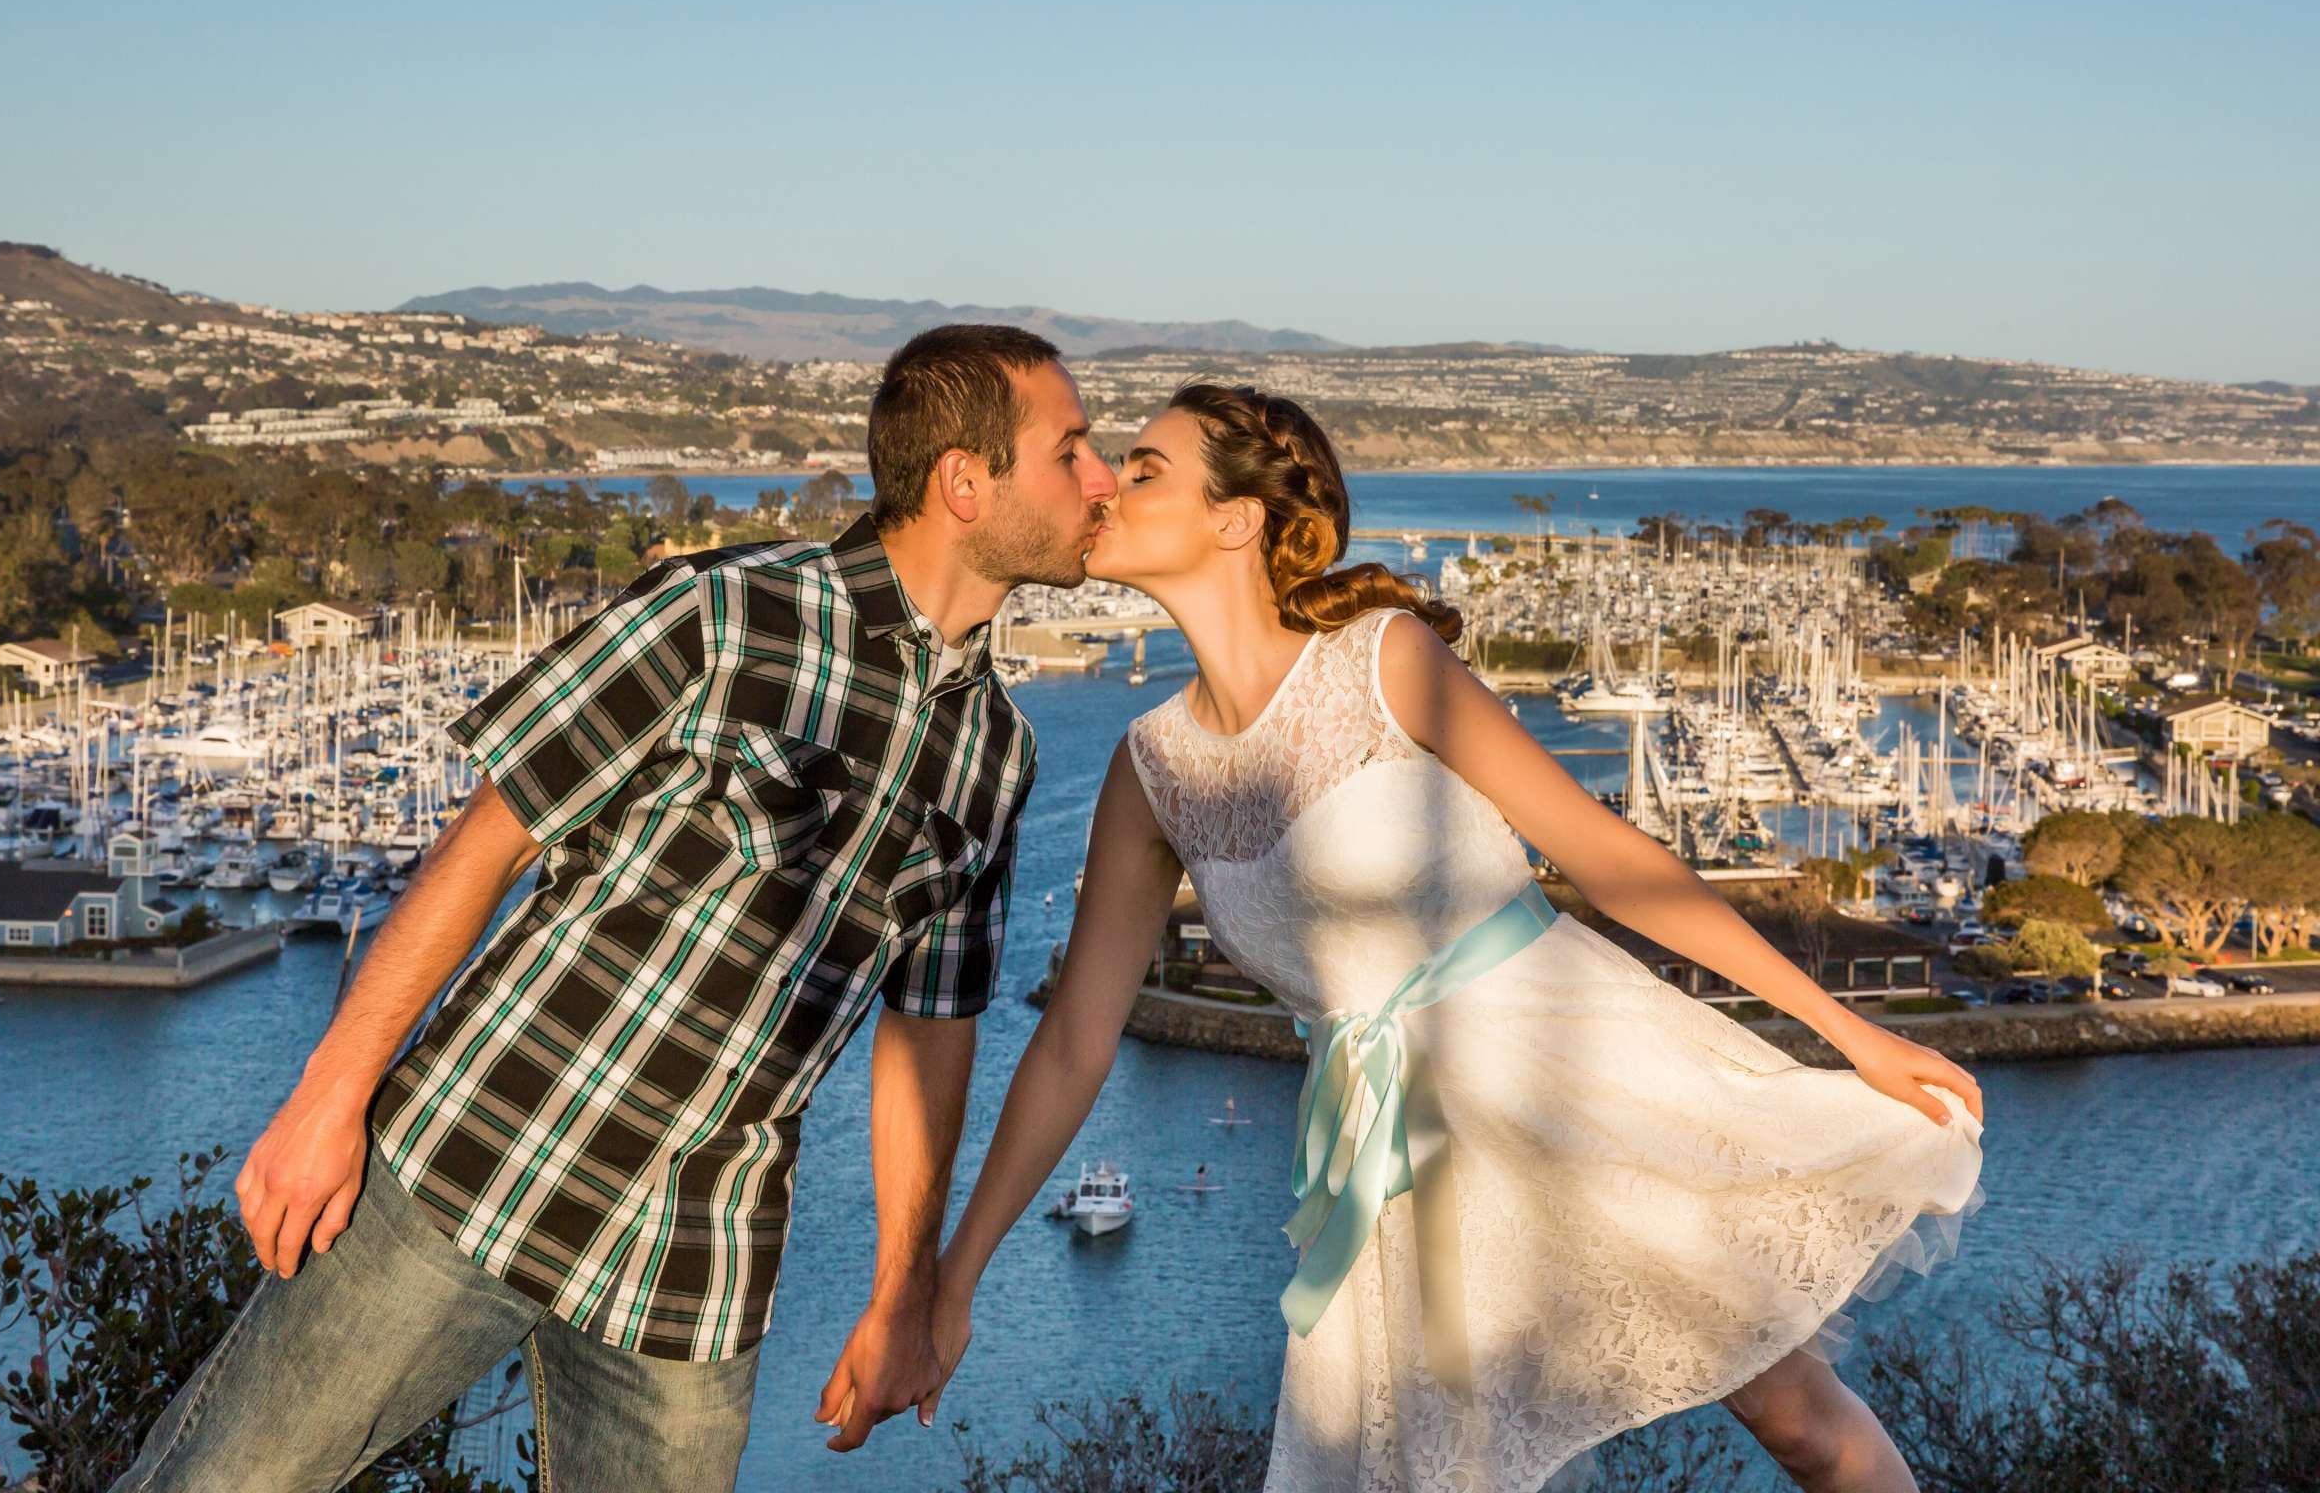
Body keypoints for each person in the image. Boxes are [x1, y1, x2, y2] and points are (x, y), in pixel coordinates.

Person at [924, 381, 1987, 1493]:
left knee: (1802, 1424)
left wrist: (1847, 1033)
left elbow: (1612, 859)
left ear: (1236, 518)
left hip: (1577, 1073)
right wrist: (956, 1277)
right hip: (1397, 1166)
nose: (1105, 486)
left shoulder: (1383, 660)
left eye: (1144, 470)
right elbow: (1074, 1044)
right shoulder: (1152, 771)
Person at [108, 324, 1116, 1492]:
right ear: (963, 481)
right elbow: (480, 851)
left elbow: (931, 1029)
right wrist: (327, 1097)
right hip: (480, 1158)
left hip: (697, 1262)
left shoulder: (998, 754)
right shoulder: (722, 615)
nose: (1102, 480)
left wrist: (905, 1289)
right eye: (1072, 450)